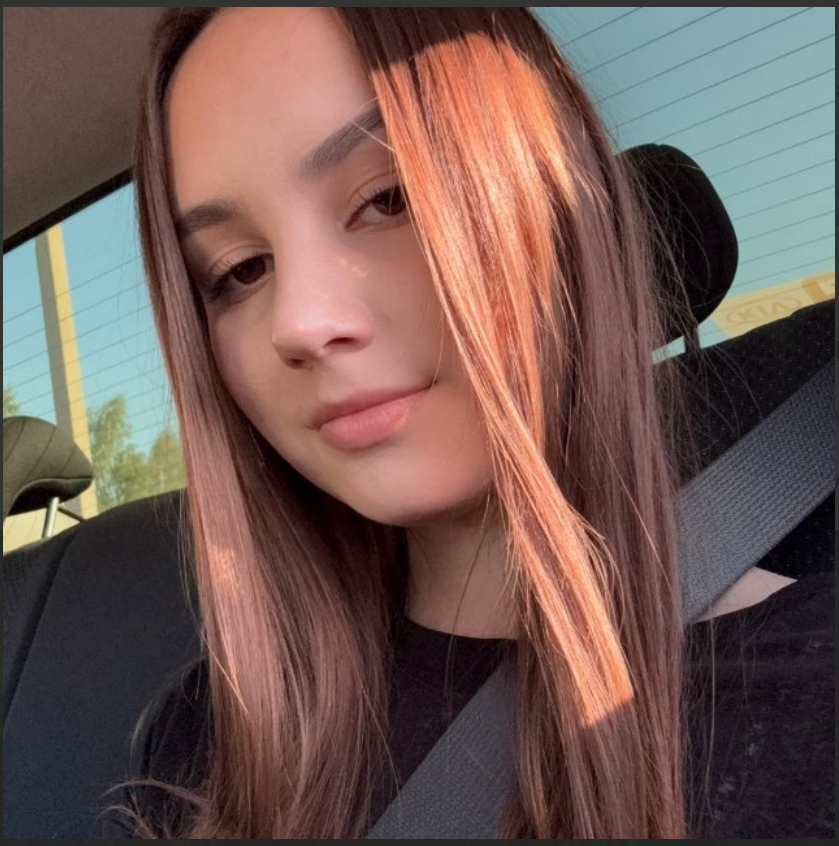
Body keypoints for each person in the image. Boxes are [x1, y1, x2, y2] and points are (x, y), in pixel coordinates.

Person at [99, 7, 833, 839]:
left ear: (567, 210)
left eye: (388, 198)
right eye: (238, 271)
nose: (297, 323)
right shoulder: (206, 737)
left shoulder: (813, 696)